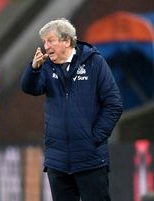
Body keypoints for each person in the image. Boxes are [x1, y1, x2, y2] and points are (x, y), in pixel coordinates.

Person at [21, 18, 123, 201]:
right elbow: (31, 89)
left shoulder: (95, 62)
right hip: (57, 162)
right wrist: (33, 69)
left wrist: (95, 137)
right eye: (44, 42)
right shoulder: (45, 66)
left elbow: (114, 104)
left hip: (90, 159)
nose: (46, 46)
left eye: (50, 40)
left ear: (66, 41)